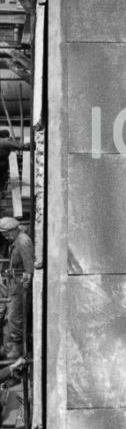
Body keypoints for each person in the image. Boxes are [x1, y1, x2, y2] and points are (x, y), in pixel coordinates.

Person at [0, 217, 33, 360]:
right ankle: (15, 344)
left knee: (16, 316)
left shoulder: (23, 241)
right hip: (16, 284)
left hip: (20, 287)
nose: (5, 237)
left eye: (7, 233)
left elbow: (29, 269)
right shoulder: (16, 241)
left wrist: (25, 288)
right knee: (12, 316)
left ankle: (19, 347)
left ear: (14, 230)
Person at [0, 130, 29, 198]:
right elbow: (20, 146)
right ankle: (1, 193)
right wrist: (30, 146)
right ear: (5, 136)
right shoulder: (5, 141)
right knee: (2, 178)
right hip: (1, 164)